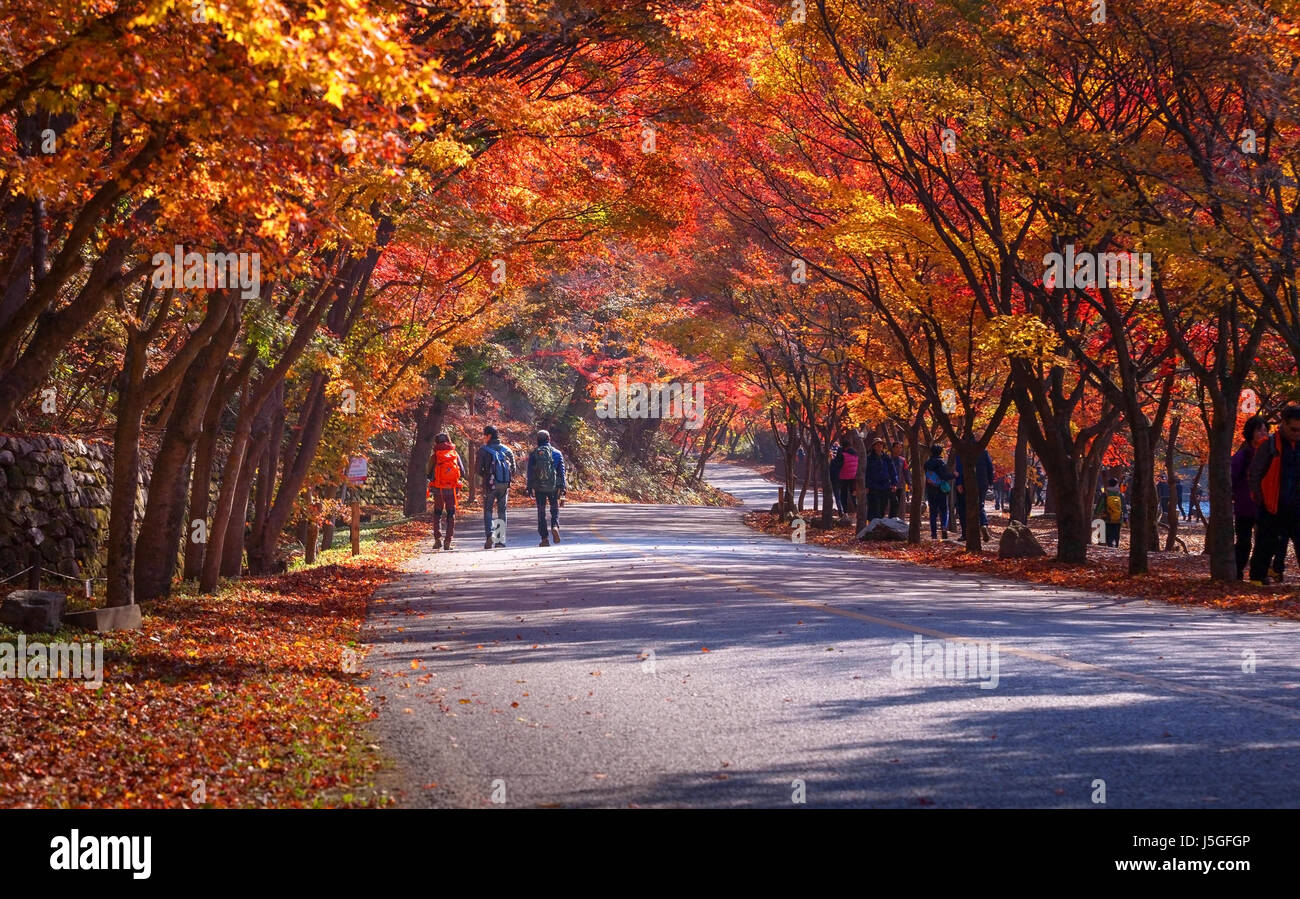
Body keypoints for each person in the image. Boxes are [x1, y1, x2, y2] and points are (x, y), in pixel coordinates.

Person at [1248, 406, 1300, 585]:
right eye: (1294, 429)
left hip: (1297, 506)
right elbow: (1254, 473)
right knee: (1266, 544)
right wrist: (1260, 498)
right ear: (1283, 424)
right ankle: (1257, 578)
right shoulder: (1269, 445)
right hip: (1272, 505)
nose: (1297, 433)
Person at [1233, 415, 1267, 580]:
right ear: (1250, 432)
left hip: (1265, 505)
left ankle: (1258, 574)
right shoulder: (1243, 455)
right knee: (1244, 542)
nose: (1263, 432)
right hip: (1245, 505)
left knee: (1264, 542)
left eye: (1265, 429)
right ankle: (1238, 571)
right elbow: (1232, 477)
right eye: (1259, 429)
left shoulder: (1270, 454)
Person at [525, 429, 567, 547]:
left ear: (537, 440)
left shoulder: (534, 454)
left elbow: (530, 473)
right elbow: (561, 472)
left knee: (541, 512)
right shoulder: (557, 453)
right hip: (553, 487)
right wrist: (563, 486)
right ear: (549, 439)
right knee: (554, 509)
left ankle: (544, 539)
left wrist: (529, 487)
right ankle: (554, 526)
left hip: (539, 488)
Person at [477, 425, 516, 549]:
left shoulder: (483, 450)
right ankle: (500, 540)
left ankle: (490, 535)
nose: (484, 438)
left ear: (488, 436)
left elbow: (477, 469)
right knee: (502, 511)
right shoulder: (507, 450)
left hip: (490, 485)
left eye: (484, 435)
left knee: (488, 510)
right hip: (504, 485)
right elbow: (513, 469)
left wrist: (487, 476)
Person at [427, 431, 466, 551]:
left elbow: (428, 473)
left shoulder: (435, 456)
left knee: (437, 513)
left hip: (439, 490)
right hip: (452, 489)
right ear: (448, 441)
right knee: (451, 514)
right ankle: (448, 540)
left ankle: (437, 538)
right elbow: (463, 472)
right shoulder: (454, 454)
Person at [954, 447, 995, 543]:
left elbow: (959, 467)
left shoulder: (961, 450)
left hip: (966, 482)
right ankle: (983, 524)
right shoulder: (982, 450)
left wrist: (959, 483)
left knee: (963, 508)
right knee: (980, 504)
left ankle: (965, 534)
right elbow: (990, 466)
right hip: (982, 482)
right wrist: (990, 481)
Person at [923, 444, 956, 540]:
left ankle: (933, 533)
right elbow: (944, 476)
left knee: (933, 512)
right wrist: (953, 475)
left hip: (930, 489)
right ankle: (944, 527)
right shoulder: (941, 463)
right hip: (940, 490)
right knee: (944, 510)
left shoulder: (927, 463)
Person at [863, 437, 898, 520]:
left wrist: (894, 483)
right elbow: (866, 473)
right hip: (873, 486)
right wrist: (866, 485)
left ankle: (882, 524)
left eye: (881, 444)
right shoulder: (869, 458)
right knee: (875, 507)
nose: (879, 446)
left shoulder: (887, 458)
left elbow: (892, 471)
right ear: (874, 446)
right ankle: (874, 525)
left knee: (883, 506)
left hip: (885, 486)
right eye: (877, 444)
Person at [830, 439, 858, 518]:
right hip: (853, 477)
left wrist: (832, 460)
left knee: (843, 495)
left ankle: (844, 512)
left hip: (843, 477)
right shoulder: (855, 454)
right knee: (854, 495)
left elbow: (837, 465)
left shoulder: (842, 454)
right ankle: (858, 510)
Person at [1095, 477, 1125, 547]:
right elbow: (1123, 506)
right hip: (1118, 518)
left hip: (1107, 518)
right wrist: (1125, 517)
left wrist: (1096, 513)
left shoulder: (1105, 494)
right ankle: (1116, 545)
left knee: (1108, 534)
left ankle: (1110, 546)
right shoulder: (1120, 495)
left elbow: (1100, 505)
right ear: (1116, 484)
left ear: (1108, 484)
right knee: (1116, 534)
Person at [888, 441, 909, 518]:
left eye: (900, 448)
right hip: (888, 485)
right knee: (893, 502)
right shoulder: (887, 459)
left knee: (896, 504)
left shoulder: (903, 460)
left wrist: (909, 483)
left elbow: (906, 472)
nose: (898, 449)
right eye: (897, 447)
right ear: (893, 448)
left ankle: (892, 520)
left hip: (899, 486)